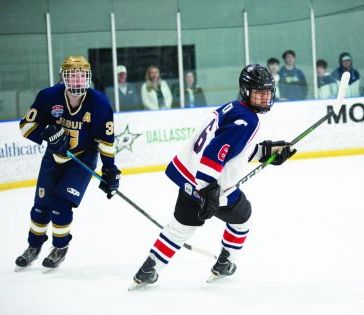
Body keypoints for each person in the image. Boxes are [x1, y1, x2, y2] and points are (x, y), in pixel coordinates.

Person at [130, 64, 296, 288]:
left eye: (267, 92)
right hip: (210, 184)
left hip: (189, 177)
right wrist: (208, 190)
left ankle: (148, 269)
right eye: (259, 92)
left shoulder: (232, 108)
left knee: (179, 229)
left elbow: (232, 149)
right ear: (245, 90)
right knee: (243, 215)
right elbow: (215, 153)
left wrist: (267, 152)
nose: (265, 97)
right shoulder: (248, 120)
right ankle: (225, 263)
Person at [15, 56, 121, 271]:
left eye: (81, 76)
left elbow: (106, 142)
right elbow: (25, 126)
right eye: (72, 75)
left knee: (61, 205)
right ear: (63, 77)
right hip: (52, 158)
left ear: (88, 78)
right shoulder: (48, 97)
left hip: (81, 160)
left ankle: (60, 248)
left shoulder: (99, 104)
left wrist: (109, 169)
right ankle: (33, 246)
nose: (77, 81)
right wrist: (48, 133)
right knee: (40, 208)